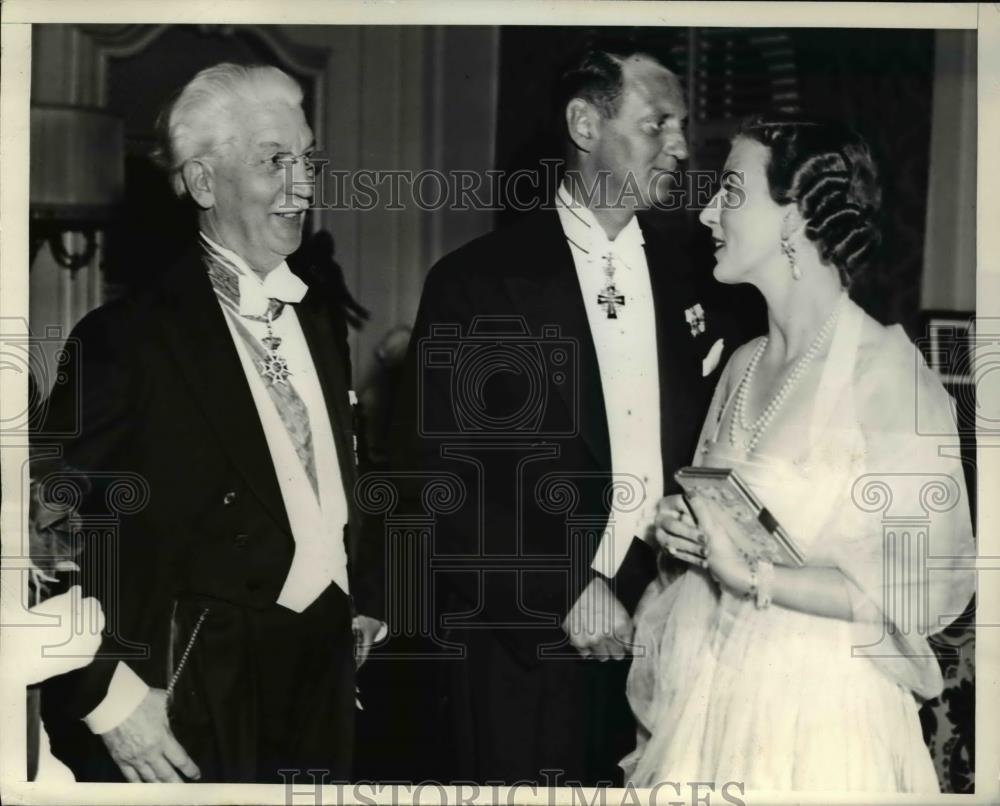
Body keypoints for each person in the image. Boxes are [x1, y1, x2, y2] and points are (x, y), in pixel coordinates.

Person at [394, 41, 739, 785]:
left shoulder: (705, 284)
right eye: (658, 125)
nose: (681, 147)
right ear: (586, 126)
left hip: (668, 642)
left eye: (683, 127)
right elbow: (433, 482)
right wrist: (561, 589)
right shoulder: (477, 283)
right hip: (522, 651)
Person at [36, 63, 384, 783]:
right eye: (273, 162)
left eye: (307, 159)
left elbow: (324, 476)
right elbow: (35, 527)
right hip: (189, 689)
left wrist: (353, 595)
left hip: (318, 681)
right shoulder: (125, 338)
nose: (304, 186)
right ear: (202, 183)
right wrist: (103, 693)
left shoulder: (318, 315)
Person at [626, 114, 977, 791]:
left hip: (822, 713)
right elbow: (727, 521)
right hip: (712, 694)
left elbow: (920, 588)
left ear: (795, 217)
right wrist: (685, 534)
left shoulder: (888, 376)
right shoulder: (743, 363)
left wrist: (755, 581)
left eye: (730, 191)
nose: (706, 212)